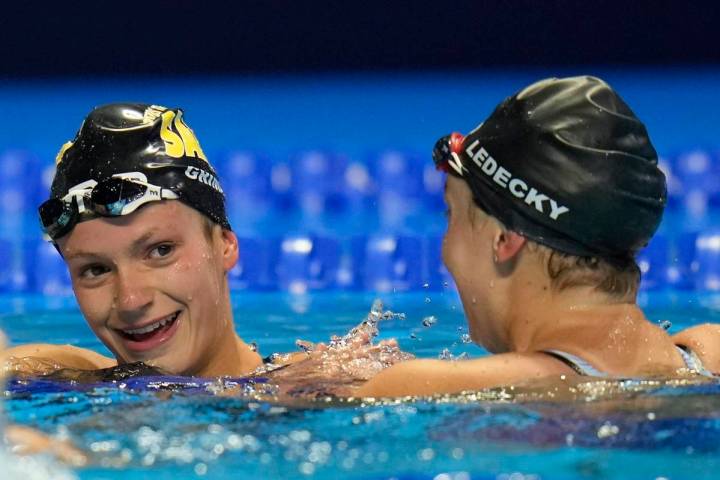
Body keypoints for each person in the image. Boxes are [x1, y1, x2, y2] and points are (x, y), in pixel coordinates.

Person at [355, 76, 720, 397]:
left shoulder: (426, 388)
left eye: (452, 214)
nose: (444, 253)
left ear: (504, 238)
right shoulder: (709, 355)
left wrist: (307, 377)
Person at [2, 104, 264, 378]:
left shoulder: (302, 391)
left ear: (225, 245)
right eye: (96, 270)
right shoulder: (56, 380)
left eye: (160, 251)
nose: (130, 301)